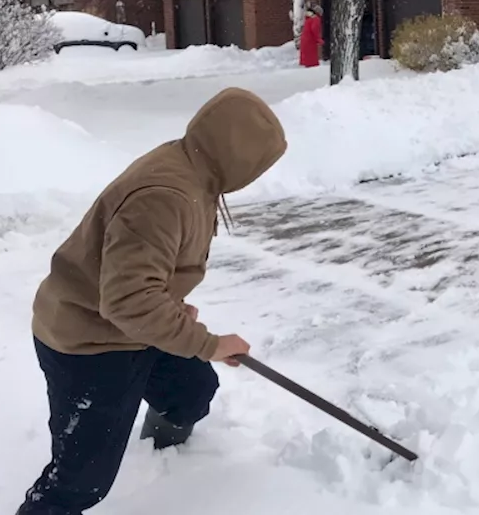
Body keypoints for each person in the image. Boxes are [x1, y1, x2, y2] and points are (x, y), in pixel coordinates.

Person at [16, 87, 288, 515]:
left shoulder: (193, 167)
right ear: (239, 156)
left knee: (191, 392)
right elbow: (128, 300)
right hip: (88, 342)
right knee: (81, 481)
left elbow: (138, 279)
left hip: (128, 328)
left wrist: (171, 310)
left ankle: (160, 462)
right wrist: (209, 344)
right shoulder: (166, 194)